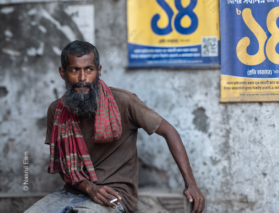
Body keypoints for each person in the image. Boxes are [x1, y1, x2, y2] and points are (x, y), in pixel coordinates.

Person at [24, 40, 204, 213]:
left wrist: (190, 184)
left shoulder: (124, 101)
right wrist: (89, 188)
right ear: (62, 73)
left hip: (115, 195)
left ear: (99, 70)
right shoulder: (56, 110)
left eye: (89, 69)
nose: (82, 78)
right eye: (74, 70)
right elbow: (64, 166)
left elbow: (169, 131)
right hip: (71, 192)